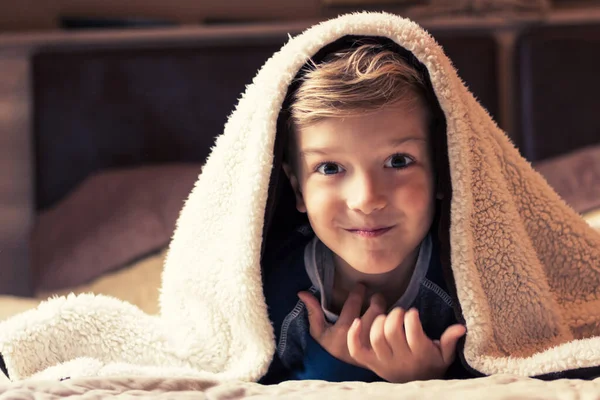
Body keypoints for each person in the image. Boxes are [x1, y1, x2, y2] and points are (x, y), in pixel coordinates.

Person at [259, 37, 468, 384]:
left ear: (444, 172)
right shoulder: (270, 289)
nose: (367, 199)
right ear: (298, 188)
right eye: (329, 168)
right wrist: (337, 367)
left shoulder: (473, 278)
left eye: (398, 161)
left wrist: (426, 378)